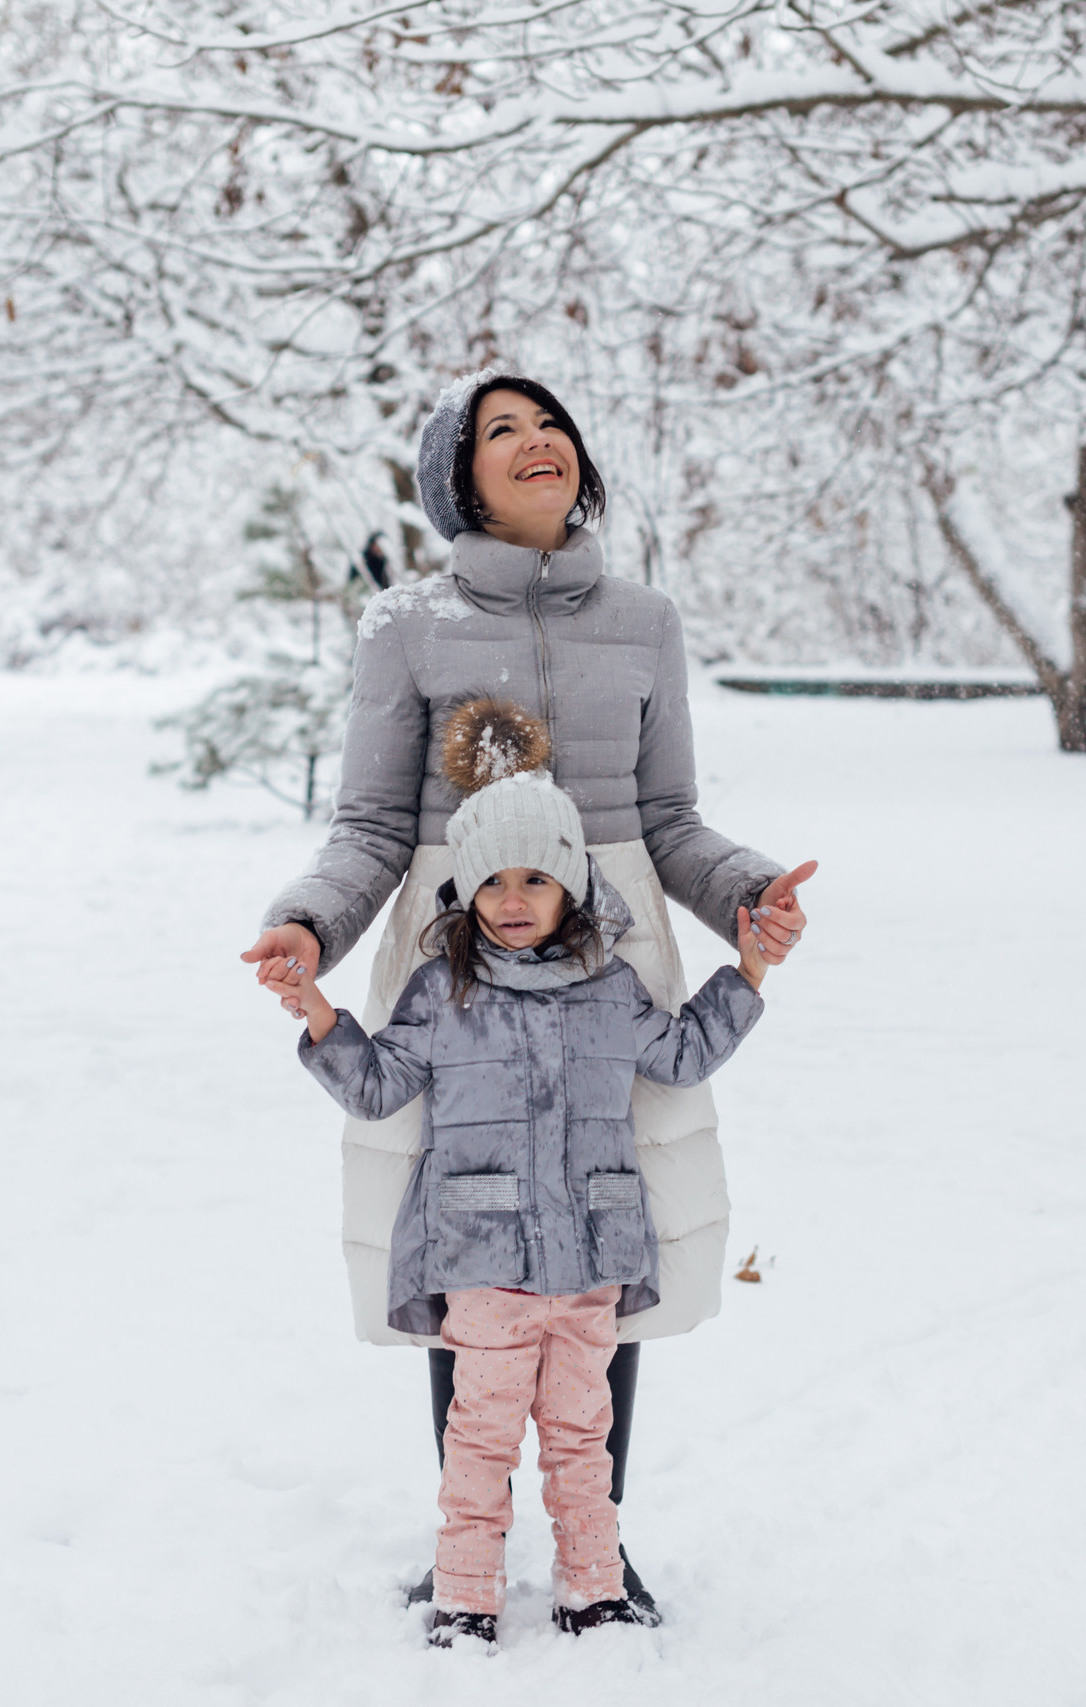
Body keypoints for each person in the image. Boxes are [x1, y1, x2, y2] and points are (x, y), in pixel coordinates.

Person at [239, 369, 817, 1618]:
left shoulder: (645, 620)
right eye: (501, 429)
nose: (537, 439)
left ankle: (595, 1545)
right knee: (467, 1228)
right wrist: (307, 925)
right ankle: (470, 1541)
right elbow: (370, 824)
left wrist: (746, 896)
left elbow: (670, 818)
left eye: (550, 421)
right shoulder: (406, 625)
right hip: (457, 952)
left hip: (613, 949)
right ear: (459, 478)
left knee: (612, 1227)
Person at [272, 701, 776, 1649]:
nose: (512, 898)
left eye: (535, 878)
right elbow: (378, 1086)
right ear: (466, 890)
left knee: (586, 1442)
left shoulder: (611, 987)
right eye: (493, 880)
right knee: (479, 1444)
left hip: (590, 1260)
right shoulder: (443, 989)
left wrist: (745, 975)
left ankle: (594, 1589)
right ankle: (466, 1595)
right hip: (484, 1263)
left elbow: (680, 1056)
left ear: (571, 885)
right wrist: (318, 1014)